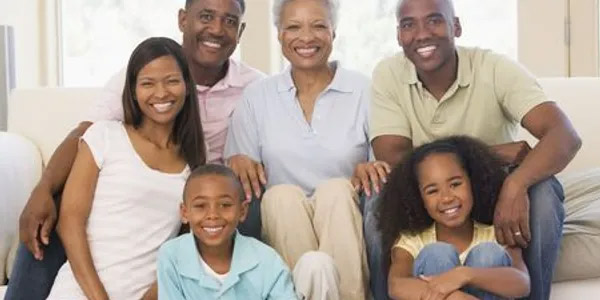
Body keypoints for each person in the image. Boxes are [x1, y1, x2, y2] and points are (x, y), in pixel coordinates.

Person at [7, 0, 263, 299]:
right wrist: (43, 189)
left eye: (229, 21)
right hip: (123, 196)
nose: (217, 29)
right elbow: (84, 134)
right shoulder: (130, 93)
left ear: (240, 30)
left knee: (241, 202)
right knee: (48, 215)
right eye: (206, 16)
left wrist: (244, 154)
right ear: (183, 20)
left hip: (194, 201)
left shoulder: (255, 89)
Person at [365, 0, 581, 299]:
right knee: (377, 199)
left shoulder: (494, 68)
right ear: (398, 35)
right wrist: (493, 154)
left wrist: (515, 185)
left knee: (543, 192)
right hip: (425, 192)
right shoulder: (388, 73)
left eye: (434, 20)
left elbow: (564, 136)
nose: (421, 33)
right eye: (408, 25)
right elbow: (393, 158)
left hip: (492, 192)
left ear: (456, 26)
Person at [224, 0, 388, 299]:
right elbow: (242, 171)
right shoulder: (256, 97)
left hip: (346, 212)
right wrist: (237, 163)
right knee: (280, 196)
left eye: (319, 26)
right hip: (281, 216)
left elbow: (384, 162)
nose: (307, 37)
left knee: (336, 191)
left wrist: (372, 166)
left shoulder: (364, 90)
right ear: (279, 34)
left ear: (334, 32)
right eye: (294, 27)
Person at [44, 37, 205, 299]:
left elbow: (184, 250)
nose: (161, 93)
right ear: (132, 90)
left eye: (172, 81)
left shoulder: (194, 163)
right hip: (80, 291)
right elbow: (70, 222)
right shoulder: (104, 136)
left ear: (187, 86)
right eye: (147, 83)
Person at [158, 164, 340, 300]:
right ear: (184, 213)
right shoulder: (172, 256)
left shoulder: (266, 260)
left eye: (225, 205)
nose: (212, 215)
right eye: (200, 206)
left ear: (242, 211)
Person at [379, 136, 529, 300]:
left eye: (455, 184)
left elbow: (522, 284)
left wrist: (465, 275)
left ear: (473, 182)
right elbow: (396, 286)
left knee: (488, 253)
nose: (446, 198)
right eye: (432, 191)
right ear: (419, 198)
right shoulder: (412, 241)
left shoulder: (496, 232)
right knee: (436, 253)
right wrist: (457, 297)